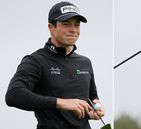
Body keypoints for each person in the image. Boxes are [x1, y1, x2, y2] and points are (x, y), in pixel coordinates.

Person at [5, 1, 105, 129]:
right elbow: (13, 95)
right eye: (66, 24)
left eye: (77, 25)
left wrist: (94, 109)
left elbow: (92, 98)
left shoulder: (85, 62)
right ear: (51, 27)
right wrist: (60, 103)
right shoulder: (36, 60)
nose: (73, 30)